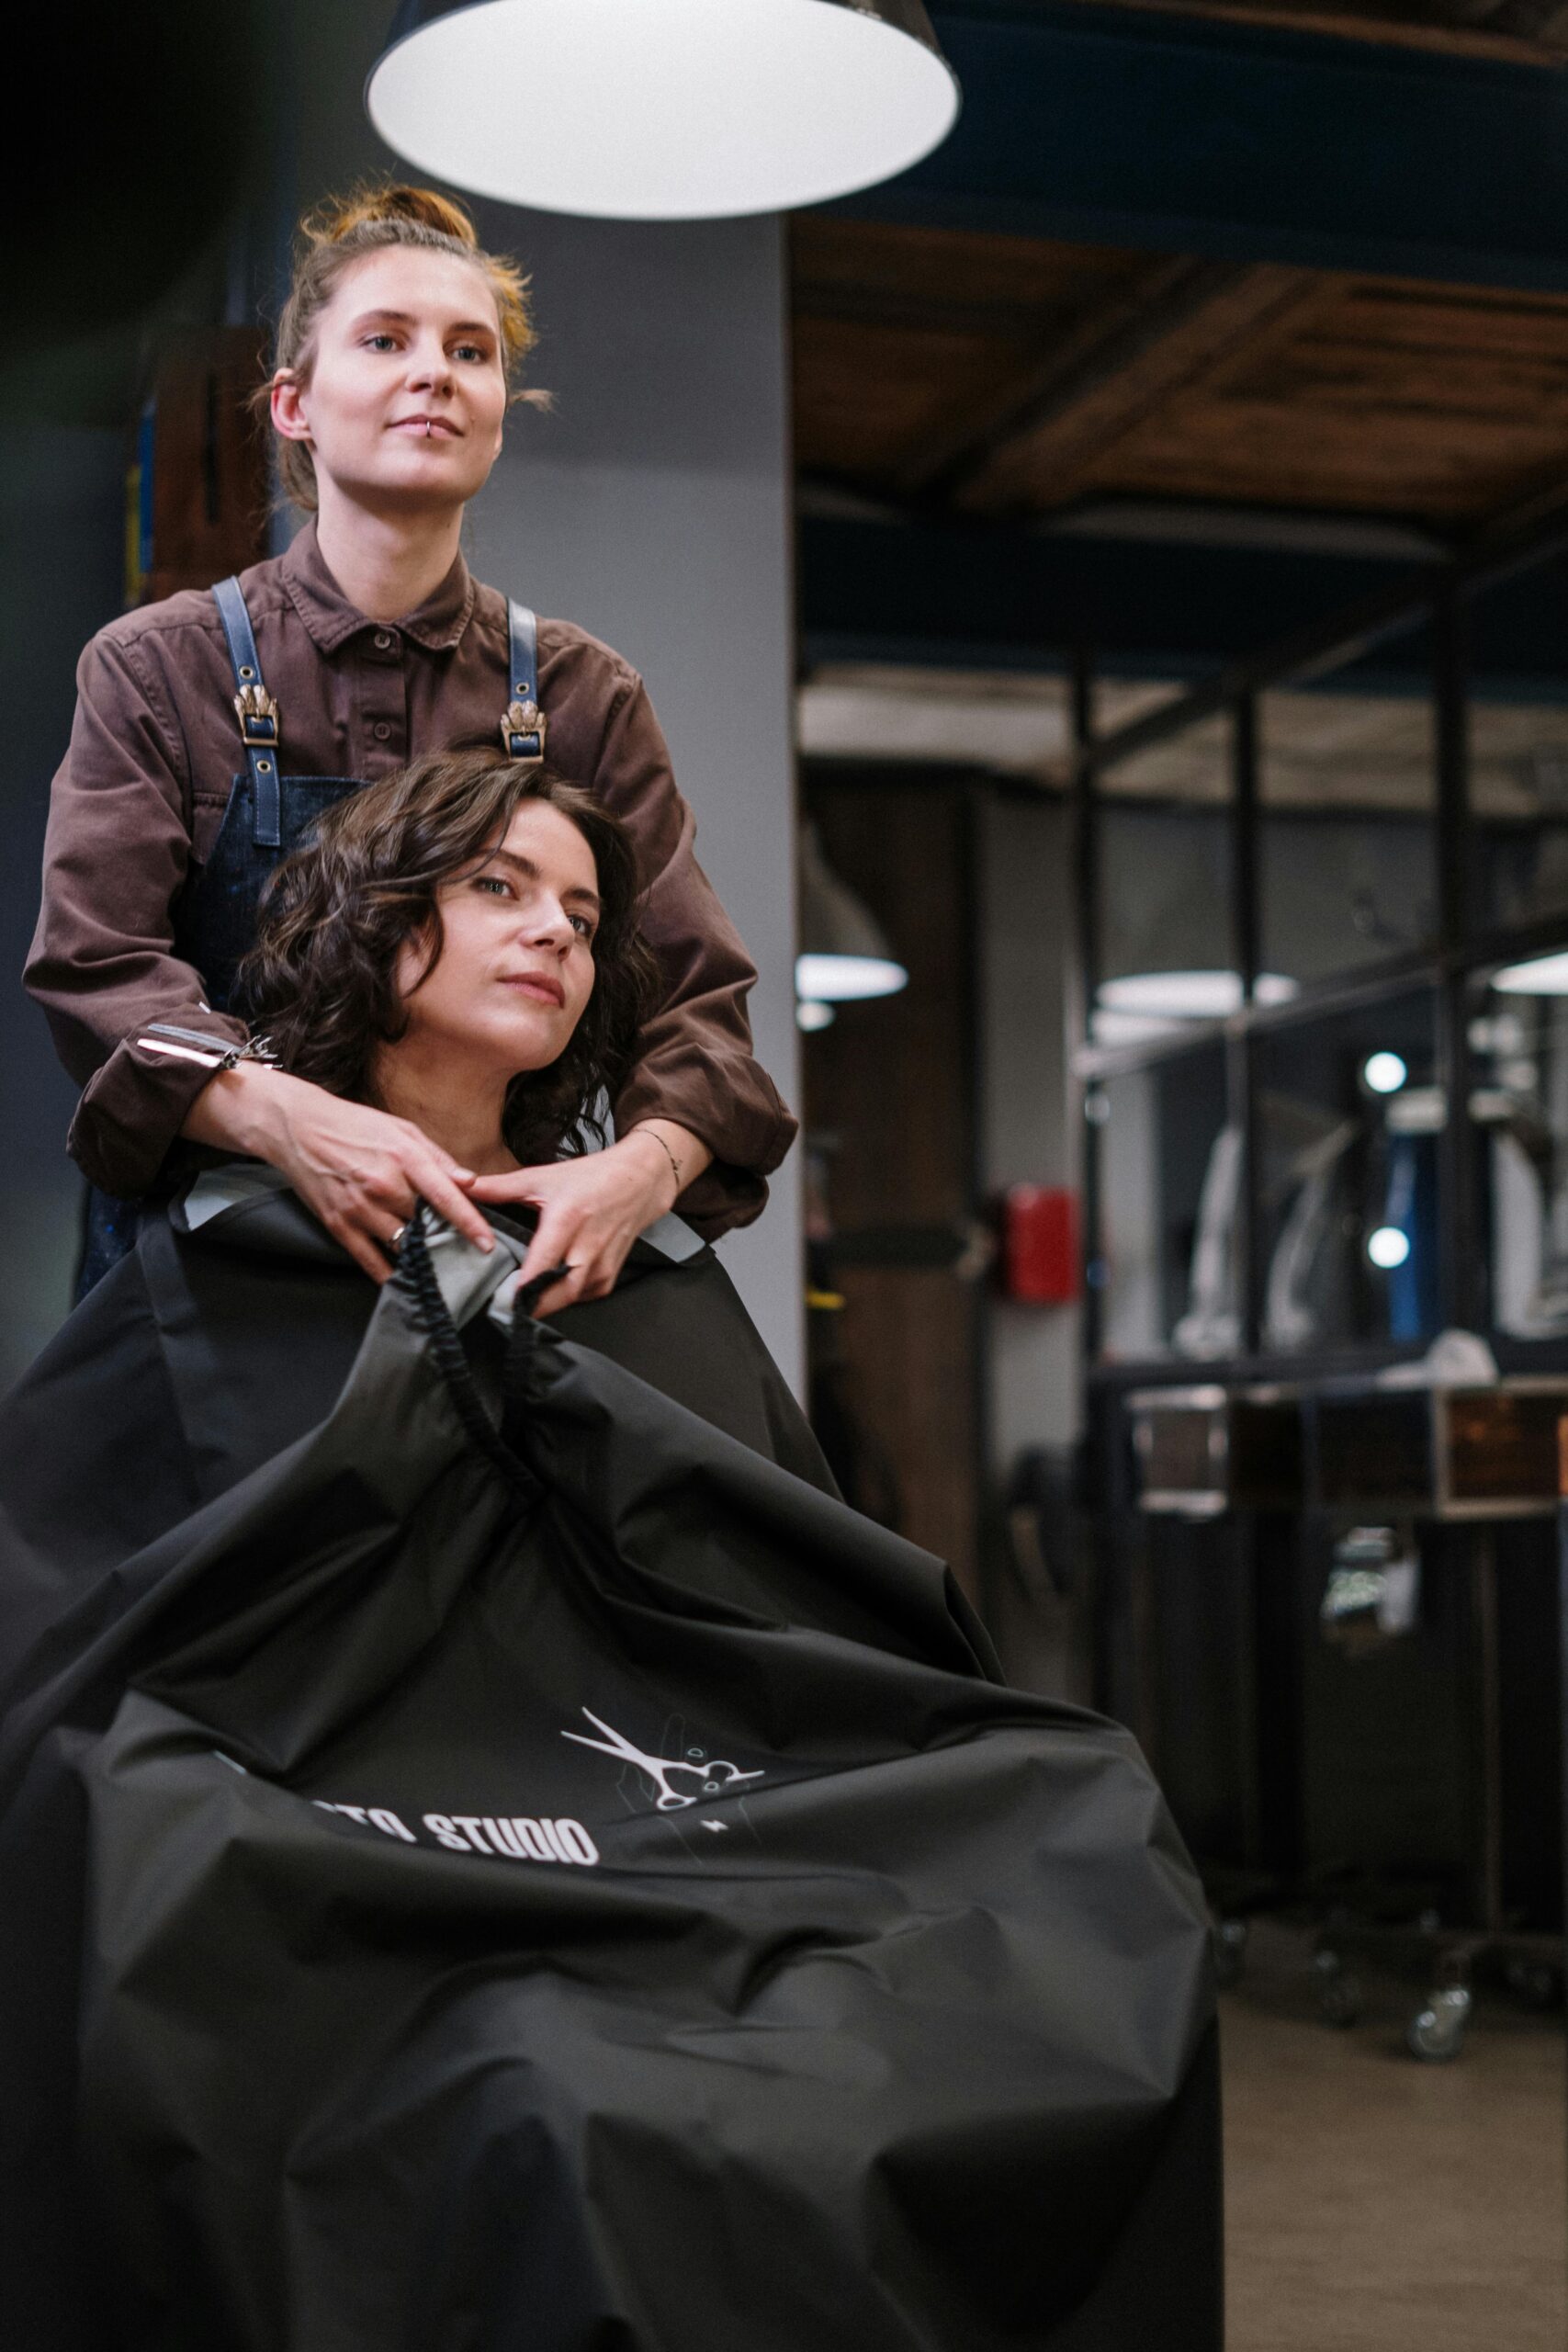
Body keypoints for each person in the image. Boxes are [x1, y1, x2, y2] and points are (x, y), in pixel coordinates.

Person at [0, 751, 1222, 2352]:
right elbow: (80, 1629)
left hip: (687, 1790)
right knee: (554, 2094)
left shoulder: (637, 1268)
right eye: (497, 889)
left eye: (580, 909)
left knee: (1081, 1845)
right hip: (346, 1808)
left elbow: (800, 1592)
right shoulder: (226, 1261)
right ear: (374, 927)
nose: (555, 934)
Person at [25, 181, 793, 1309]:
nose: (433, 371)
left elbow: (698, 1010)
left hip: (504, 1273)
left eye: (470, 351)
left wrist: (640, 1170)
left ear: (496, 406)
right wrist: (285, 1116)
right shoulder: (159, 669)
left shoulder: (583, 697)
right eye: (385, 340)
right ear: (293, 402)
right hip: (213, 1284)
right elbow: (98, 975)